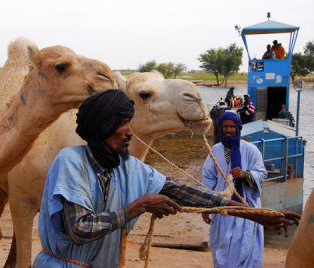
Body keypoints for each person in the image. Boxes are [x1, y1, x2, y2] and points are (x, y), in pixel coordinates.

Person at [33, 90, 299, 268]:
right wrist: (138, 206)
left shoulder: (131, 168)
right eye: (122, 123)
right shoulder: (71, 162)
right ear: (101, 126)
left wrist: (256, 214)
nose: (129, 131)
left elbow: (184, 193)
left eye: (130, 122)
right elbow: (79, 229)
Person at [202, 112, 266, 268]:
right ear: (221, 129)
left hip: (246, 208)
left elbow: (262, 173)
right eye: (225, 127)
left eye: (232, 127)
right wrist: (206, 207)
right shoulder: (215, 151)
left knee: (246, 249)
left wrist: (245, 174)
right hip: (223, 209)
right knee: (221, 249)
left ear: (238, 128)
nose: (229, 130)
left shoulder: (251, 150)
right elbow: (208, 179)